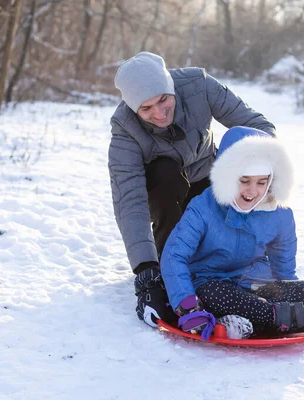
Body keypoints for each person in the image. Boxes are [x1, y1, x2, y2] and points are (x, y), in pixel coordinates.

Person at [109, 52, 276, 328]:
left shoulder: (199, 86)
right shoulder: (124, 128)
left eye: (163, 99)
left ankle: (236, 268)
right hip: (164, 192)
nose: (159, 114)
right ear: (133, 109)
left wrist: (247, 172)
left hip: (206, 179)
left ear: (170, 86)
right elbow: (129, 201)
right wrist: (145, 273)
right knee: (165, 174)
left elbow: (260, 129)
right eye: (146, 109)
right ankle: (170, 272)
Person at [160, 126, 304, 339]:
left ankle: (247, 321)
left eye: (261, 182)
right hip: (209, 284)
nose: (252, 191)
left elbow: (284, 265)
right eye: (244, 181)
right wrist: (186, 305)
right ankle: (279, 319)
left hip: (252, 285)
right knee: (214, 294)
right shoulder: (203, 208)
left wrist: (290, 295)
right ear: (228, 176)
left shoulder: (278, 213)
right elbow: (174, 255)